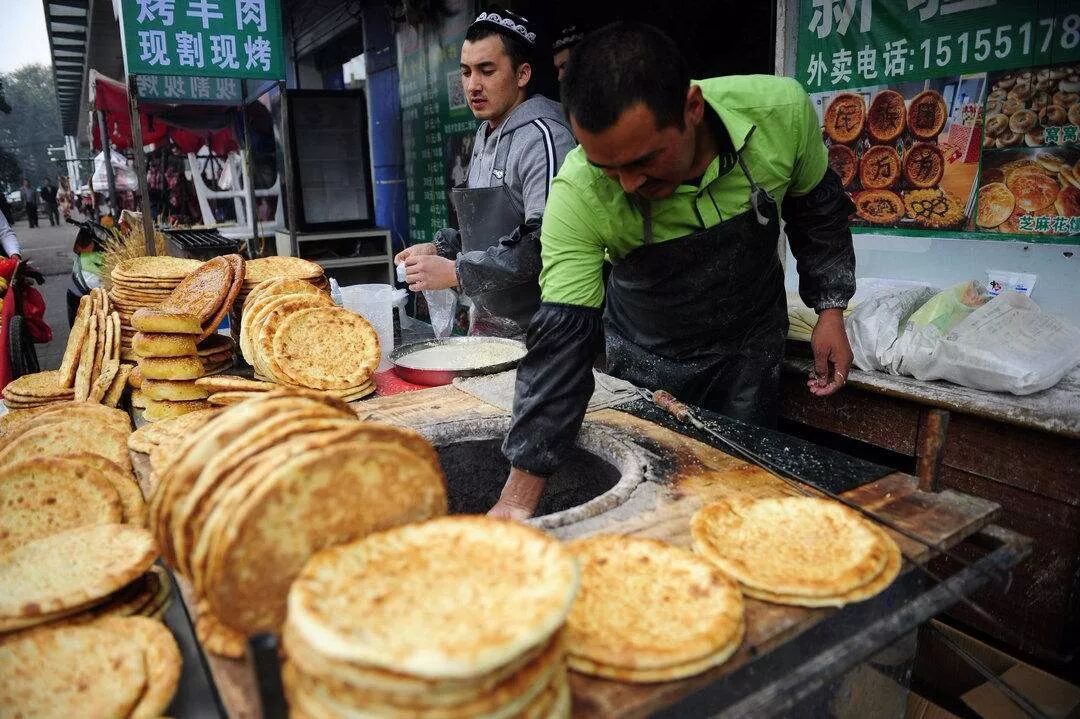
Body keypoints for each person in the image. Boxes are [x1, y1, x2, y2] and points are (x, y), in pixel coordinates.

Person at [489, 23, 857, 519]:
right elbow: (562, 344)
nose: (628, 183)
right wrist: (516, 500)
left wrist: (830, 310)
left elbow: (817, 212)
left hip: (748, 349)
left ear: (692, 109)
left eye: (644, 160)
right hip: (645, 363)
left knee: (740, 501)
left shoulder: (780, 114)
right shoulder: (577, 192)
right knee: (653, 509)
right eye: (608, 168)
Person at [395, 7, 576, 339]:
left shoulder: (544, 137)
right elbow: (487, 232)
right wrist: (439, 249)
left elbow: (545, 243)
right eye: (466, 72)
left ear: (522, 74)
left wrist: (457, 272)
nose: (473, 85)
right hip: (492, 330)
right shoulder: (484, 134)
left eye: (487, 70)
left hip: (543, 335)